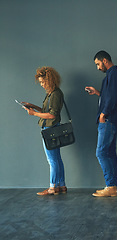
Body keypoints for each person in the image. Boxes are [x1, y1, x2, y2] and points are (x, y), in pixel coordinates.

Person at [22, 67, 67, 196]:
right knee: (57, 158)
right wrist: (34, 107)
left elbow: (52, 115)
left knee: (52, 160)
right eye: (40, 82)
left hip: (50, 129)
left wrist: (34, 114)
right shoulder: (53, 93)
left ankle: (52, 187)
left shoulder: (55, 94)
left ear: (50, 80)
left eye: (43, 82)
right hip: (53, 128)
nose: (41, 84)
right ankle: (61, 185)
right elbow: (47, 110)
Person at [85, 50, 117, 197]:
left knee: (101, 152)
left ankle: (111, 186)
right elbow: (110, 95)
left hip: (108, 119)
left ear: (105, 61)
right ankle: (114, 186)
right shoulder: (112, 75)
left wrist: (103, 114)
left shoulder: (113, 75)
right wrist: (98, 93)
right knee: (109, 152)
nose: (97, 67)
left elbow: (113, 98)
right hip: (110, 118)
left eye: (98, 64)